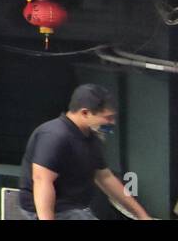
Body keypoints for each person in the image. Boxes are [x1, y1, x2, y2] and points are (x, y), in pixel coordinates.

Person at [16, 84, 152, 220]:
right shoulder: (54, 136)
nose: (112, 122)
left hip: (74, 207)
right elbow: (42, 181)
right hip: (49, 209)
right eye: (108, 118)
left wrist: (143, 216)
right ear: (85, 113)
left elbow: (105, 178)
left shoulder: (91, 138)